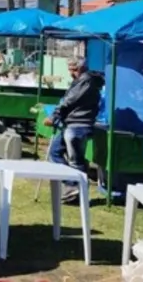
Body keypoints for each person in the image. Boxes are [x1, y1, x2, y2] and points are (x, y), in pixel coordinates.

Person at [44, 57, 105, 204]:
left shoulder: (85, 80)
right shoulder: (82, 80)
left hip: (78, 124)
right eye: (70, 68)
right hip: (73, 123)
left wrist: (54, 116)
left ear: (82, 67)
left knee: (75, 161)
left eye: (74, 68)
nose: (71, 72)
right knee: (55, 152)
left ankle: (74, 187)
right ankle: (73, 187)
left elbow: (69, 101)